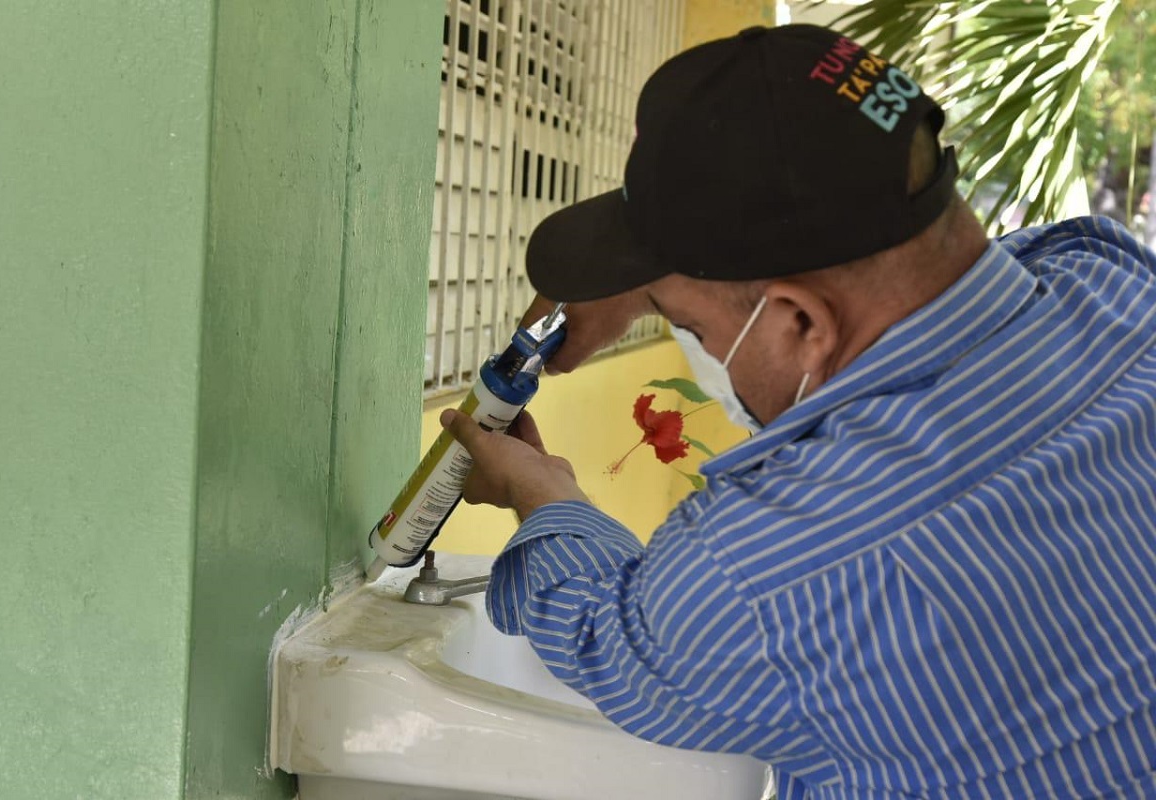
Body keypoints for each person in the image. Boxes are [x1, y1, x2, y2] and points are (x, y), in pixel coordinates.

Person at [440, 23, 1156, 799]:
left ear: (802, 324)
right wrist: (657, 272)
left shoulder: (761, 575)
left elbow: (604, 636)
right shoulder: (1115, 284)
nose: (689, 341)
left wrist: (540, 493)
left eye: (691, 327)